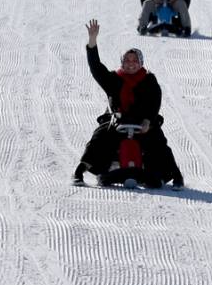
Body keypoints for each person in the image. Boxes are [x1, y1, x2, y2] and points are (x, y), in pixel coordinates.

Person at [73, 19, 184, 188]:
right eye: (127, 60)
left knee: (158, 142)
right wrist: (92, 40)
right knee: (99, 138)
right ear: (122, 62)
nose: (131, 64)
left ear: (140, 62)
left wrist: (148, 120)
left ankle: (175, 176)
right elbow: (96, 67)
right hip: (118, 120)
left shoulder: (148, 80)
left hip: (143, 122)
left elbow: (155, 101)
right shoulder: (114, 79)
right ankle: (80, 171)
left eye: (134, 60)